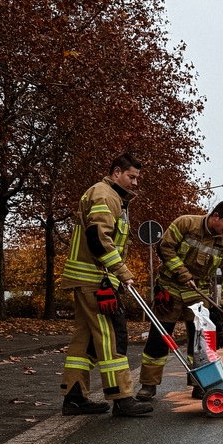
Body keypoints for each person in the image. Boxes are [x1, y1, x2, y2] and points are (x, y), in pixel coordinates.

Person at [60, 153, 153, 417]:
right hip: (95, 281)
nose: (135, 183)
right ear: (116, 173)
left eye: (136, 178)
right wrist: (123, 272)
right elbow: (99, 239)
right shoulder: (104, 196)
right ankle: (122, 398)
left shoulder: (110, 197)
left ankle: (75, 397)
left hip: (88, 279)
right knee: (112, 335)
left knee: (84, 340)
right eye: (131, 177)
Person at [136, 201, 223, 400]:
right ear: (215, 216)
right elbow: (165, 248)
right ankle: (148, 385)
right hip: (170, 290)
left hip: (197, 295)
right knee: (159, 338)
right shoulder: (185, 223)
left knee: (199, 344)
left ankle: (199, 384)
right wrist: (184, 275)